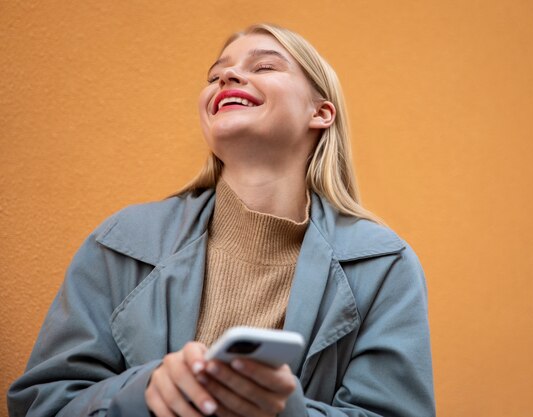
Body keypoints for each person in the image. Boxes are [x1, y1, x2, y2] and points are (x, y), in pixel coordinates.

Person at [8, 23, 436, 417]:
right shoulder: (120, 243)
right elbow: (39, 404)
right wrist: (144, 393)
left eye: (264, 65)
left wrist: (289, 413)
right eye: (215, 76)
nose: (227, 78)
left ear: (320, 114)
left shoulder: (384, 266)